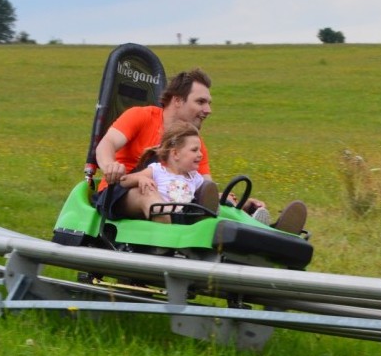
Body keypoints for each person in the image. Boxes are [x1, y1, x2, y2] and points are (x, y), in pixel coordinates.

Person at [93, 67, 307, 234]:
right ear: (177, 100)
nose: (208, 110)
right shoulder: (142, 116)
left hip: (174, 196)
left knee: (214, 205)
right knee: (148, 193)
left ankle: (270, 230)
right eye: (201, 102)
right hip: (121, 190)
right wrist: (110, 165)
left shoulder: (193, 143)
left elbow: (204, 190)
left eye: (209, 103)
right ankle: (163, 246)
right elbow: (107, 144)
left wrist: (237, 204)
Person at [118, 122, 207, 223]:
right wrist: (140, 179)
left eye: (200, 150)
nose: (200, 154)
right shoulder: (158, 170)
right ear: (176, 153)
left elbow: (205, 193)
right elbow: (123, 181)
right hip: (159, 217)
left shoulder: (195, 178)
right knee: (160, 211)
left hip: (182, 218)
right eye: (194, 150)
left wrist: (221, 196)